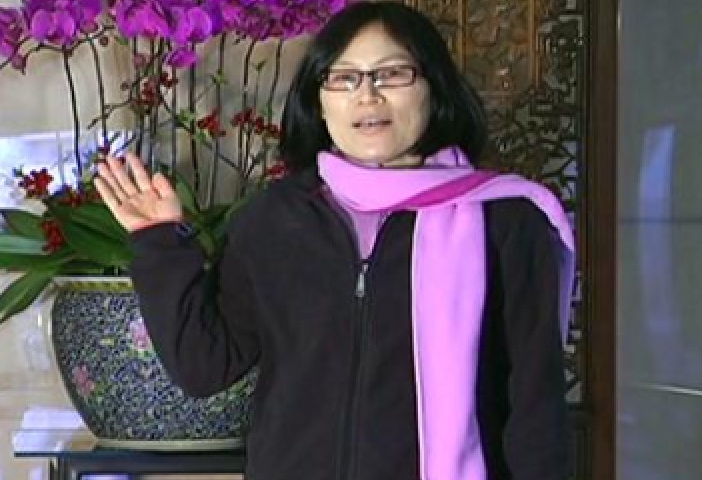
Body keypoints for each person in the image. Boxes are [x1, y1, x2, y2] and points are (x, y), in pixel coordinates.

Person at [94, 2, 575, 480]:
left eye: (392, 74)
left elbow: (535, 407)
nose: (367, 95)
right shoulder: (275, 220)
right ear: (319, 102)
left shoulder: (503, 221)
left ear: (433, 87)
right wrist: (158, 242)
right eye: (344, 78)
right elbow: (204, 366)